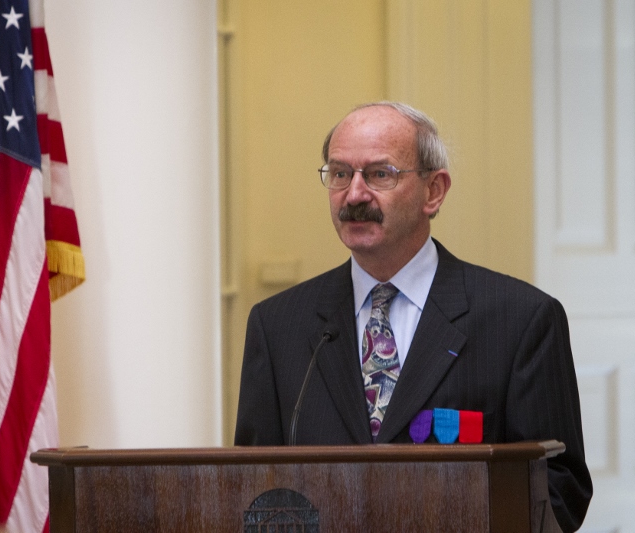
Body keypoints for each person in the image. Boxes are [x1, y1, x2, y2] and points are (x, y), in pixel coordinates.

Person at [234, 102, 592, 532]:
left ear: (434, 191)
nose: (355, 194)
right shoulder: (278, 326)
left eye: (380, 174)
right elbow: (253, 487)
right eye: (340, 173)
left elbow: (559, 489)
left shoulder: (521, 320)